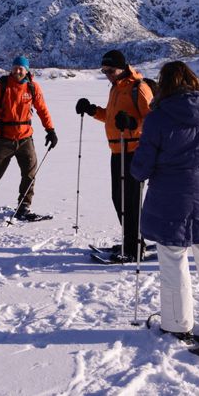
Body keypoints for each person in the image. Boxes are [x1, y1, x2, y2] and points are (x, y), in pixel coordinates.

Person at [130, 61, 199, 344]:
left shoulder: (157, 118)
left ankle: (177, 324)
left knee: (173, 261)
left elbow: (140, 168)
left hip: (168, 199)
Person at [75, 49, 154, 262]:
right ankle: (132, 241)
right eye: (104, 70)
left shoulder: (139, 88)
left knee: (130, 201)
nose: (107, 74)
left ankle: (134, 247)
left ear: (122, 67)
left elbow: (154, 120)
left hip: (134, 152)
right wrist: (93, 110)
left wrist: (132, 124)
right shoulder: (116, 88)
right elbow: (112, 118)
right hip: (117, 151)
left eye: (110, 70)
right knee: (118, 199)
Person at [0, 55, 57, 223]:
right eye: (15, 67)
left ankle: (23, 207)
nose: (18, 71)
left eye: (21, 68)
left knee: (30, 174)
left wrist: (50, 130)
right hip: (3, 138)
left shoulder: (33, 87)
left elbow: (42, 110)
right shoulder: (2, 85)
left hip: (25, 138)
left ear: (26, 70)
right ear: (11, 68)